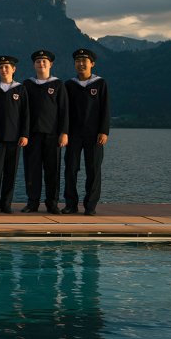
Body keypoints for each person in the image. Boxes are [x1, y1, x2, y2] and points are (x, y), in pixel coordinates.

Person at [63, 48, 110, 215]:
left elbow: (105, 109)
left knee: (93, 170)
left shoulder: (100, 83)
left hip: (94, 134)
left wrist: (104, 131)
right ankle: (70, 204)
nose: (81, 64)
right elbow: (65, 111)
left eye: (84, 61)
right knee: (70, 168)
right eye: (77, 61)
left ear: (92, 63)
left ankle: (90, 206)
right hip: (74, 134)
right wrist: (64, 132)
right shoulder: (69, 85)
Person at [21, 49, 68, 214]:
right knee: (32, 170)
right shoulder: (27, 84)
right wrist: (24, 133)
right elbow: (23, 111)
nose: (41, 64)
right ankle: (32, 203)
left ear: (51, 64)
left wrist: (64, 132)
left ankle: (52, 203)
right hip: (32, 135)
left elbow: (64, 110)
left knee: (52, 170)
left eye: (44, 61)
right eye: (38, 61)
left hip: (53, 135)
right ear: (34, 65)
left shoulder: (58, 84)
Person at [0, 55, 29, 214]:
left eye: (6, 67)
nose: (4, 69)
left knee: (10, 173)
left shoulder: (20, 89)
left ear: (13, 69)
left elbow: (26, 114)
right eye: (0, 67)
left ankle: (6, 204)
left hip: (15, 138)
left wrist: (24, 134)